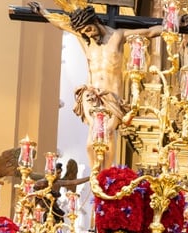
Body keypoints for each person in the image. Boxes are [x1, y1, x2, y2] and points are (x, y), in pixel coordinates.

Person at [30, 3, 163, 163]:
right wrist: (43, 12)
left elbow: (149, 32)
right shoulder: (86, 40)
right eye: (84, 32)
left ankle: (105, 175)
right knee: (91, 142)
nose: (89, 34)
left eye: (89, 29)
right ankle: (95, 177)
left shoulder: (117, 36)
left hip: (111, 96)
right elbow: (62, 24)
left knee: (107, 133)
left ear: (95, 22)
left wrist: (172, 25)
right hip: (90, 92)